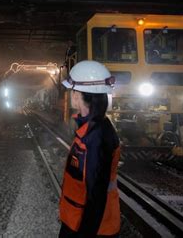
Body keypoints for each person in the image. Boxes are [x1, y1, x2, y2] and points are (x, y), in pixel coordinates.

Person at [59, 60, 121, 238]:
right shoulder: (90, 129)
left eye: (72, 90)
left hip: (93, 228)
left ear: (78, 95)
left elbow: (96, 196)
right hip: (76, 219)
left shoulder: (97, 137)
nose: (71, 94)